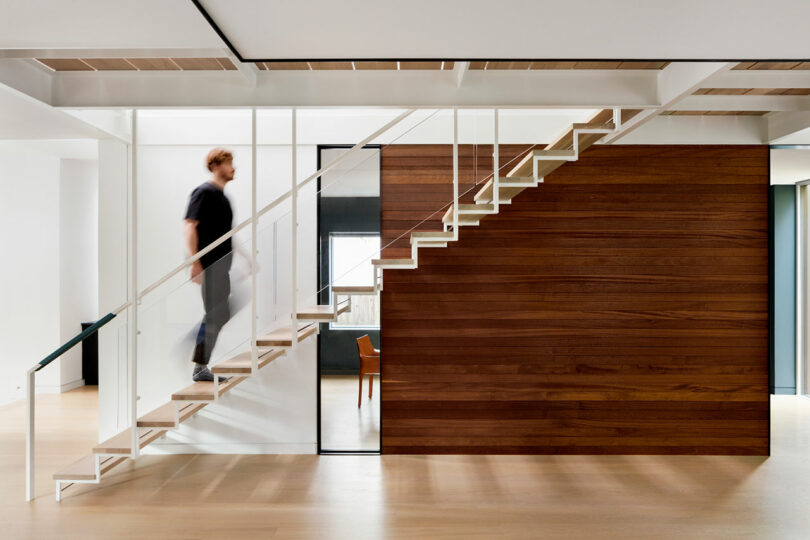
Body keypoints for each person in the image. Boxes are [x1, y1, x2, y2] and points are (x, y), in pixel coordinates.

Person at [183, 148, 235, 382]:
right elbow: (189, 225)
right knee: (216, 313)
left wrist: (243, 256)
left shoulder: (223, 197)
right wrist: (195, 262)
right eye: (228, 163)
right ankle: (199, 367)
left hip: (222, 265)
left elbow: (225, 233)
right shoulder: (204, 192)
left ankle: (199, 358)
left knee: (220, 312)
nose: (233, 168)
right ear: (215, 166)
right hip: (211, 264)